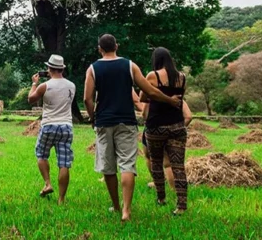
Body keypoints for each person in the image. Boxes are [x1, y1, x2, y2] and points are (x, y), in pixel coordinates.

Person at [83, 34, 181, 222]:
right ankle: (126, 210)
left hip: (104, 122)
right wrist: (170, 100)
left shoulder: (93, 69)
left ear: (99, 49)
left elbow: (87, 98)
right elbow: (150, 91)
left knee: (108, 167)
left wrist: (93, 118)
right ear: (117, 46)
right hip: (127, 121)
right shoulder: (130, 65)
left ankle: (116, 205)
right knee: (127, 165)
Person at [141, 47, 191, 215]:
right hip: (177, 125)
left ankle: (161, 198)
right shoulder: (182, 77)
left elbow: (142, 97)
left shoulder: (152, 76)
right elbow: (181, 98)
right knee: (178, 166)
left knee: (156, 162)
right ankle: (182, 206)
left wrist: (157, 96)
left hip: (156, 125)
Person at [28, 55, 76, 204]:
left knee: (41, 155)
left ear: (49, 68)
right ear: (62, 68)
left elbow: (31, 99)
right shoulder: (71, 85)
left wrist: (34, 84)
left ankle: (48, 183)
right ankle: (61, 199)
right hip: (66, 126)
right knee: (64, 163)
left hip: (49, 125)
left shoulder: (45, 86)